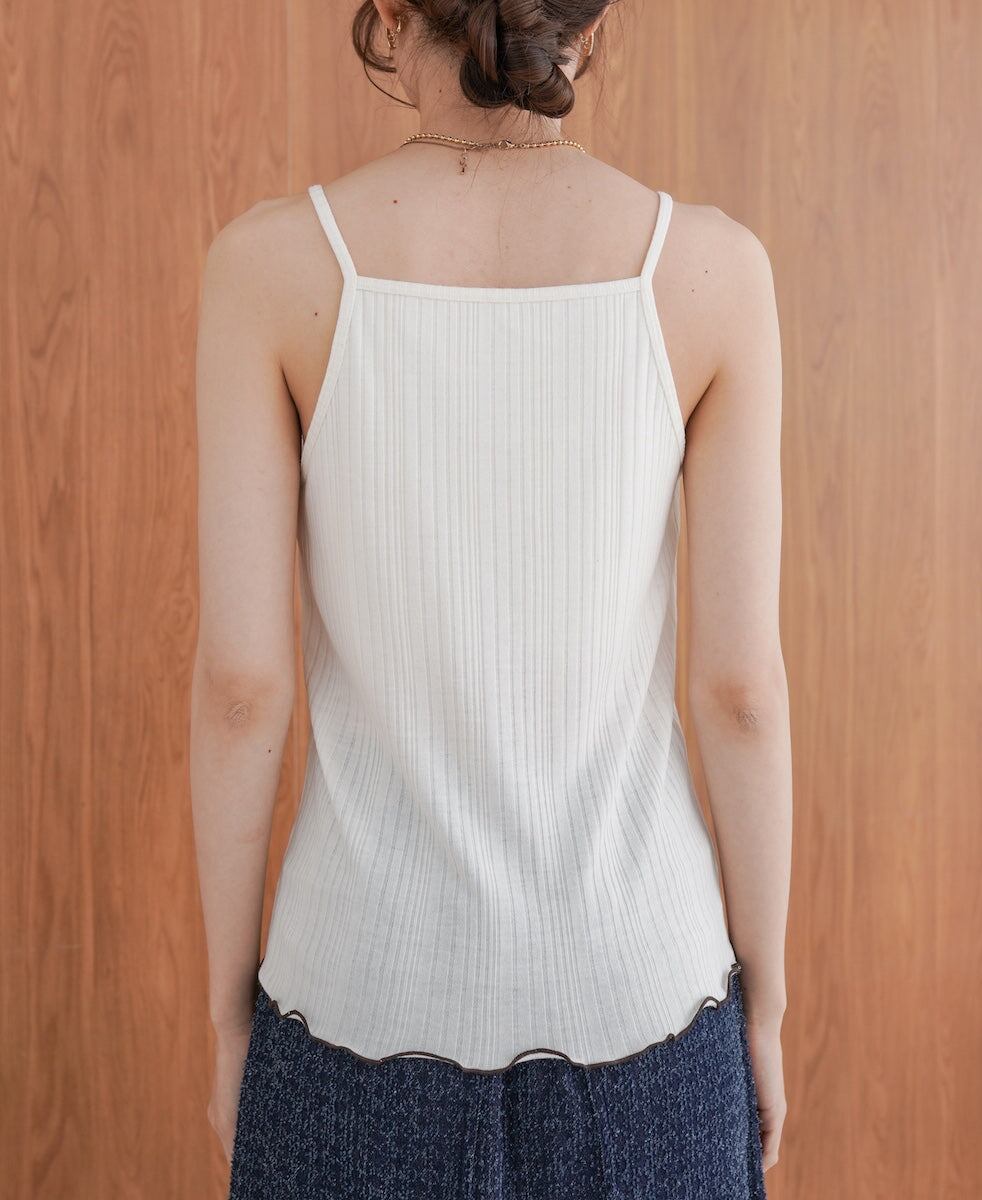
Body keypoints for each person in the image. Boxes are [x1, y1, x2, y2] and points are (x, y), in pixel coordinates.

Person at [189, 2, 791, 1196]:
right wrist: (765, 1005)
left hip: (351, 1009)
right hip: (648, 1009)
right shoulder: (711, 270)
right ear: (589, 23)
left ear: (389, 13)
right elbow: (739, 692)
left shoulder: (271, 266)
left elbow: (241, 688)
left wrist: (224, 1020)